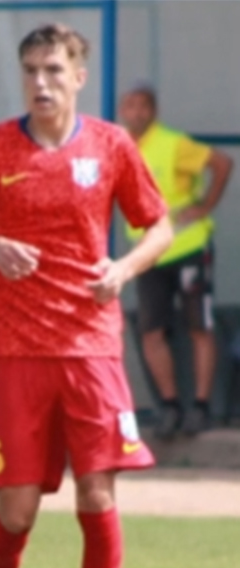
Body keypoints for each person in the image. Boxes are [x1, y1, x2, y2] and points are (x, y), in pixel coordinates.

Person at [0, 24, 173, 568]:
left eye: (53, 69)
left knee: (97, 496)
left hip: (91, 346)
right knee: (16, 509)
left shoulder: (111, 145)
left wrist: (123, 268)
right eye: (30, 70)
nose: (40, 82)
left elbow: (159, 225)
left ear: (79, 76)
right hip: (15, 347)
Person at [119, 83, 233, 439]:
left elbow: (222, 162)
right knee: (151, 330)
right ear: (122, 111)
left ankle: (201, 406)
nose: (137, 112)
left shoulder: (172, 143)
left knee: (199, 326)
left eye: (143, 106)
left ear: (153, 110)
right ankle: (169, 406)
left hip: (187, 247)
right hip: (148, 253)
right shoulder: (120, 147)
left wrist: (205, 206)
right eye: (130, 106)